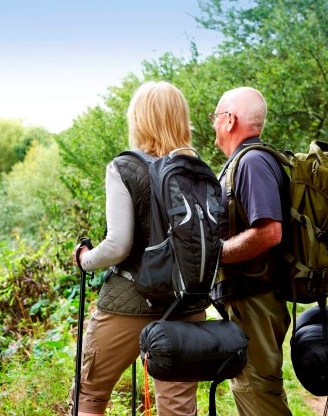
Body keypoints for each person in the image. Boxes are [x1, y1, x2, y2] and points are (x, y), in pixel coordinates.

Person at [71, 81, 205, 416]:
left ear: (139, 119)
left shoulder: (124, 167)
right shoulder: (197, 169)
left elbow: (118, 245)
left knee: (89, 395)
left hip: (129, 302)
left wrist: (86, 260)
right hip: (186, 303)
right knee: (178, 407)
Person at [210, 86, 292, 416]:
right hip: (249, 300)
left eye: (216, 117)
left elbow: (270, 232)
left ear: (230, 120)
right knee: (253, 389)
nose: (213, 125)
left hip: (254, 301)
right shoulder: (245, 162)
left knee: (258, 393)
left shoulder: (252, 163)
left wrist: (216, 255)